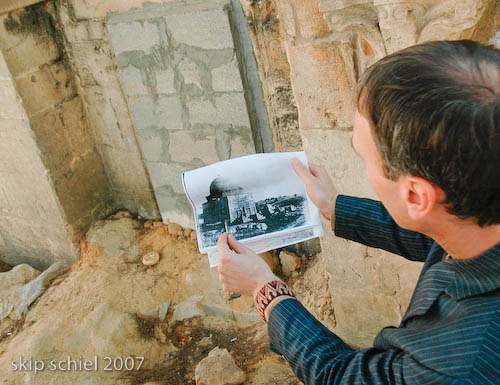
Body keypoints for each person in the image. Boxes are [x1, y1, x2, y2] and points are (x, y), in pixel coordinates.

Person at [216, 40, 500, 384]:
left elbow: (340, 376)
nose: (366, 171)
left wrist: (265, 290)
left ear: (415, 194)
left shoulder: (459, 364)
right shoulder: (478, 216)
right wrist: (335, 207)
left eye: (366, 160)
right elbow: (437, 235)